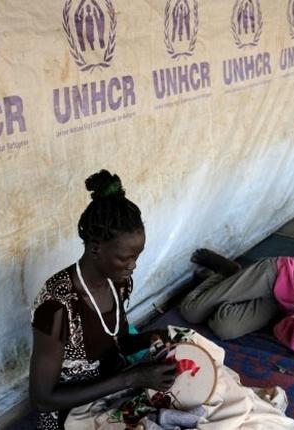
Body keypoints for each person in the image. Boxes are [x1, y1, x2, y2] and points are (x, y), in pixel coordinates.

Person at [28, 170, 176, 430]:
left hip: (115, 391)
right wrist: (132, 378)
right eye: (125, 258)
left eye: (137, 256)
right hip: (69, 413)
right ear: (95, 248)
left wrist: (153, 337)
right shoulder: (56, 306)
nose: (133, 266)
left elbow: (118, 343)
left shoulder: (115, 281)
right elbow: (42, 399)